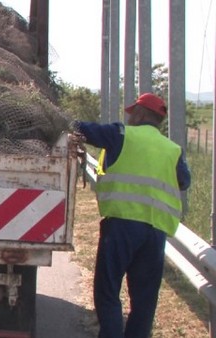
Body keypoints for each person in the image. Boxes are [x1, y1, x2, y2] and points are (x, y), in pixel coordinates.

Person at [73, 92, 191, 338]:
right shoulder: (172, 150)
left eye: (132, 112)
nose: (129, 117)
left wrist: (63, 120)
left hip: (122, 226)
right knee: (144, 302)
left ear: (139, 113)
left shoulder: (121, 134)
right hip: (155, 232)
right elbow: (184, 181)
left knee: (107, 292)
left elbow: (84, 130)